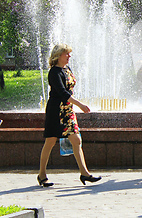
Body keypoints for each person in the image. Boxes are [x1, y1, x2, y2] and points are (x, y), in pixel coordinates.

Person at [37, 43, 101, 187]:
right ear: (58, 56)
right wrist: (81, 105)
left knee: (77, 140)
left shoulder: (67, 69)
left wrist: (74, 106)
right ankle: (41, 175)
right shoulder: (54, 72)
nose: (69, 56)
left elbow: (69, 91)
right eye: (66, 54)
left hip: (67, 110)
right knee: (50, 142)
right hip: (56, 111)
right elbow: (62, 93)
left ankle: (84, 174)